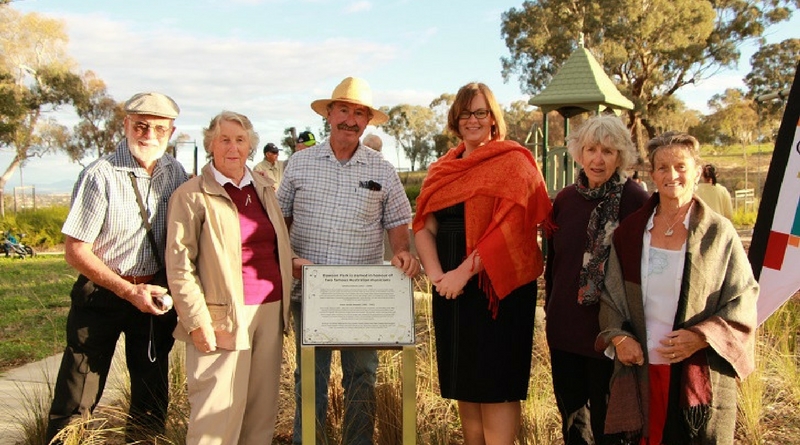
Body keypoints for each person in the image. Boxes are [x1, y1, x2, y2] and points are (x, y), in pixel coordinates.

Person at [277, 76, 420, 445]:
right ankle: (307, 441)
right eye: (344, 110)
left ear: (368, 121)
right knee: (310, 377)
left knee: (362, 378)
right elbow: (281, 223)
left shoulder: (382, 170)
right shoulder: (299, 164)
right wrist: (289, 259)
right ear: (329, 113)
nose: (350, 120)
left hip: (362, 297)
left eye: (359, 113)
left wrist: (403, 253)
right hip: (309, 290)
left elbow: (397, 225)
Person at [45, 92, 189, 444]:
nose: (148, 134)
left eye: (158, 127)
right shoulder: (100, 175)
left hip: (154, 297)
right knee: (77, 395)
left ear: (171, 131)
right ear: (126, 125)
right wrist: (127, 290)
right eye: (140, 125)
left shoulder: (176, 172)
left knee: (151, 398)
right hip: (102, 295)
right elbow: (76, 250)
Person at [413, 82, 552, 444]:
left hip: (498, 291)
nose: (472, 120)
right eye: (465, 113)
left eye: (480, 112)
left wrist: (463, 272)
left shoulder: (514, 163)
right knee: (467, 387)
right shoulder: (442, 168)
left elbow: (510, 230)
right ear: (455, 119)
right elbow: (425, 227)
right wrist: (438, 275)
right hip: (452, 292)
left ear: (493, 118)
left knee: (496, 388)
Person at [597, 132, 758, 445]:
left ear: (697, 171)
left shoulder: (718, 233)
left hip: (695, 371)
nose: (672, 175)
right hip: (642, 368)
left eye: (681, 166)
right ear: (653, 174)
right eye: (662, 167)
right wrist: (618, 337)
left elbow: (744, 296)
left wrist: (699, 338)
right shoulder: (631, 231)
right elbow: (610, 296)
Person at [165, 111, 294, 444]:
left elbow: (267, 245)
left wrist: (294, 262)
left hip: (270, 310)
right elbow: (180, 266)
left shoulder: (264, 187)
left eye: (239, 139)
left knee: (260, 415)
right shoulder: (191, 195)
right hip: (222, 316)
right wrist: (196, 320)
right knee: (216, 415)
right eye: (224, 139)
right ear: (210, 144)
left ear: (250, 144)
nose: (233, 147)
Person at [544, 115, 649, 445]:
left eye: (607, 151)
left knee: (611, 427)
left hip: (611, 334)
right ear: (579, 152)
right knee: (575, 425)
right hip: (565, 331)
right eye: (590, 149)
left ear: (621, 156)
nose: (597, 159)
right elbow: (555, 264)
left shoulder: (636, 200)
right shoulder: (565, 199)